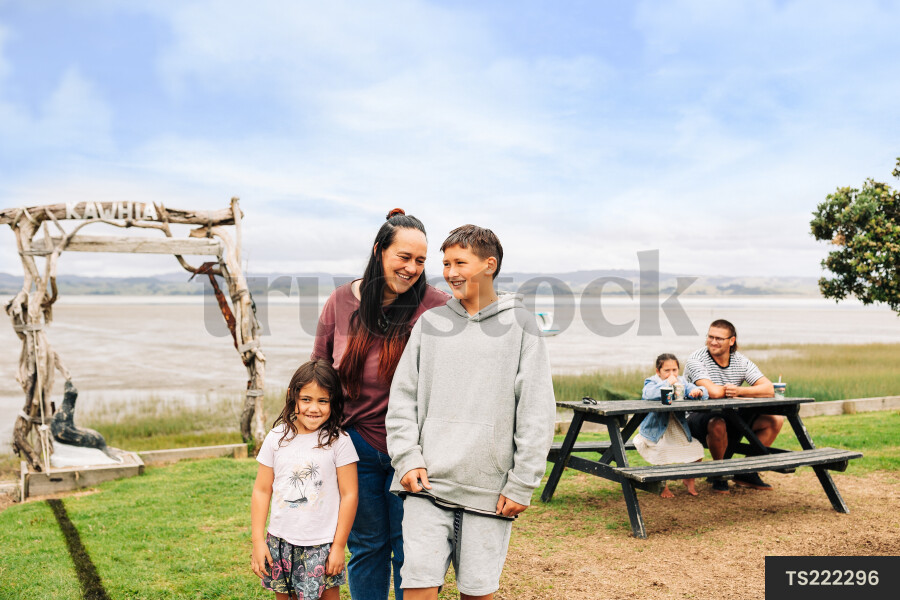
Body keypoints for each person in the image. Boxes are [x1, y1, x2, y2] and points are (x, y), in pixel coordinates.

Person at [386, 224, 556, 600]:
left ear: (489, 265)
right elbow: (402, 401)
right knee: (417, 589)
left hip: (488, 491)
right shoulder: (430, 325)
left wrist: (522, 482)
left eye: (459, 262)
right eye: (445, 263)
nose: (450, 272)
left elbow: (536, 413)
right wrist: (407, 458)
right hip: (426, 485)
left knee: (477, 594)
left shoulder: (523, 327)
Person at [312, 208, 449, 600]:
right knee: (367, 547)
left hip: (417, 453)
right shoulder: (340, 302)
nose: (412, 268)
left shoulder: (437, 306)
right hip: (355, 449)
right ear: (378, 252)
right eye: (403, 257)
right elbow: (319, 375)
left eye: (420, 261)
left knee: (412, 550)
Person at [251, 359, 359, 600]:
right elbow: (261, 490)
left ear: (333, 402)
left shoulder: (339, 441)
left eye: (323, 401)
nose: (314, 408)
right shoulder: (277, 437)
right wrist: (259, 541)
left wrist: (339, 546)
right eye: (306, 399)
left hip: (323, 545)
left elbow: (350, 495)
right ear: (293, 397)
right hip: (280, 543)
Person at [683, 319, 779, 494]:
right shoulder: (696, 359)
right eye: (710, 337)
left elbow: (769, 389)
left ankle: (747, 472)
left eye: (719, 338)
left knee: (774, 421)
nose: (713, 342)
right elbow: (712, 392)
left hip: (731, 417)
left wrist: (740, 390)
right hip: (695, 418)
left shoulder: (741, 361)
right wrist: (735, 391)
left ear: (731, 341)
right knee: (717, 422)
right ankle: (720, 474)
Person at [635, 353, 709, 498]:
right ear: (658, 371)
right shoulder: (652, 381)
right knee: (661, 451)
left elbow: (702, 391)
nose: (671, 374)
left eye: (674, 370)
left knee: (697, 449)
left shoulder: (681, 381)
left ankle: (689, 479)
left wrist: (698, 391)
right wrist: (667, 383)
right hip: (656, 429)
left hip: (676, 427)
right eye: (667, 370)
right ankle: (663, 485)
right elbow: (648, 394)